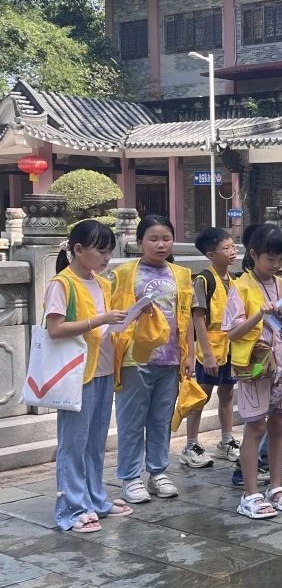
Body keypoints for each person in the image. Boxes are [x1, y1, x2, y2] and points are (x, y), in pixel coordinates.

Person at [46, 221, 131, 532]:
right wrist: (100, 319)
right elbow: (55, 329)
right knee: (74, 444)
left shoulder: (102, 284)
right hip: (76, 373)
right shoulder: (62, 284)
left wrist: (128, 318)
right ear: (78, 250)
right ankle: (72, 508)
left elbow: (105, 326)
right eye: (101, 251)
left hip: (103, 368)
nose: (107, 257)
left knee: (95, 443)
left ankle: (96, 499)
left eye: (110, 251)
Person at [112, 214, 194, 505]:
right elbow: (114, 313)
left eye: (166, 239)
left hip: (170, 358)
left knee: (161, 419)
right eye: (153, 239)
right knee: (132, 420)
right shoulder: (124, 273)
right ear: (139, 242)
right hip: (134, 357)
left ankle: (158, 472)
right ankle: (130, 476)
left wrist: (189, 354)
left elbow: (187, 316)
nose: (161, 245)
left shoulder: (181, 274)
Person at [227, 225, 282, 519]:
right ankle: (250, 493)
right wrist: (259, 314)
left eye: (280, 259)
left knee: (279, 423)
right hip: (255, 365)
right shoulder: (240, 286)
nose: (276, 265)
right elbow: (232, 332)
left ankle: (276, 486)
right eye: (271, 259)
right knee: (256, 425)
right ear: (254, 255)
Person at [181, 228, 241, 470]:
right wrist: (205, 354)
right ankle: (191, 445)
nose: (232, 251)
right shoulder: (204, 280)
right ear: (211, 254)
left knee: (227, 393)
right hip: (211, 347)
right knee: (201, 396)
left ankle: (226, 440)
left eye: (233, 246)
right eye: (226, 248)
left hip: (230, 347)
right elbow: (197, 317)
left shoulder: (233, 279)